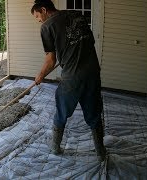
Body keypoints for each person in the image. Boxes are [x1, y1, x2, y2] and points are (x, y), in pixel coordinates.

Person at [31, 0, 106, 161]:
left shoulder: (46, 27)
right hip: (93, 71)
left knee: (61, 111)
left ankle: (55, 148)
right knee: (94, 112)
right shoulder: (77, 15)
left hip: (72, 76)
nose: (38, 20)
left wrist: (40, 75)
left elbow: (51, 61)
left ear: (43, 10)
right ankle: (101, 152)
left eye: (37, 16)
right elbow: (89, 42)